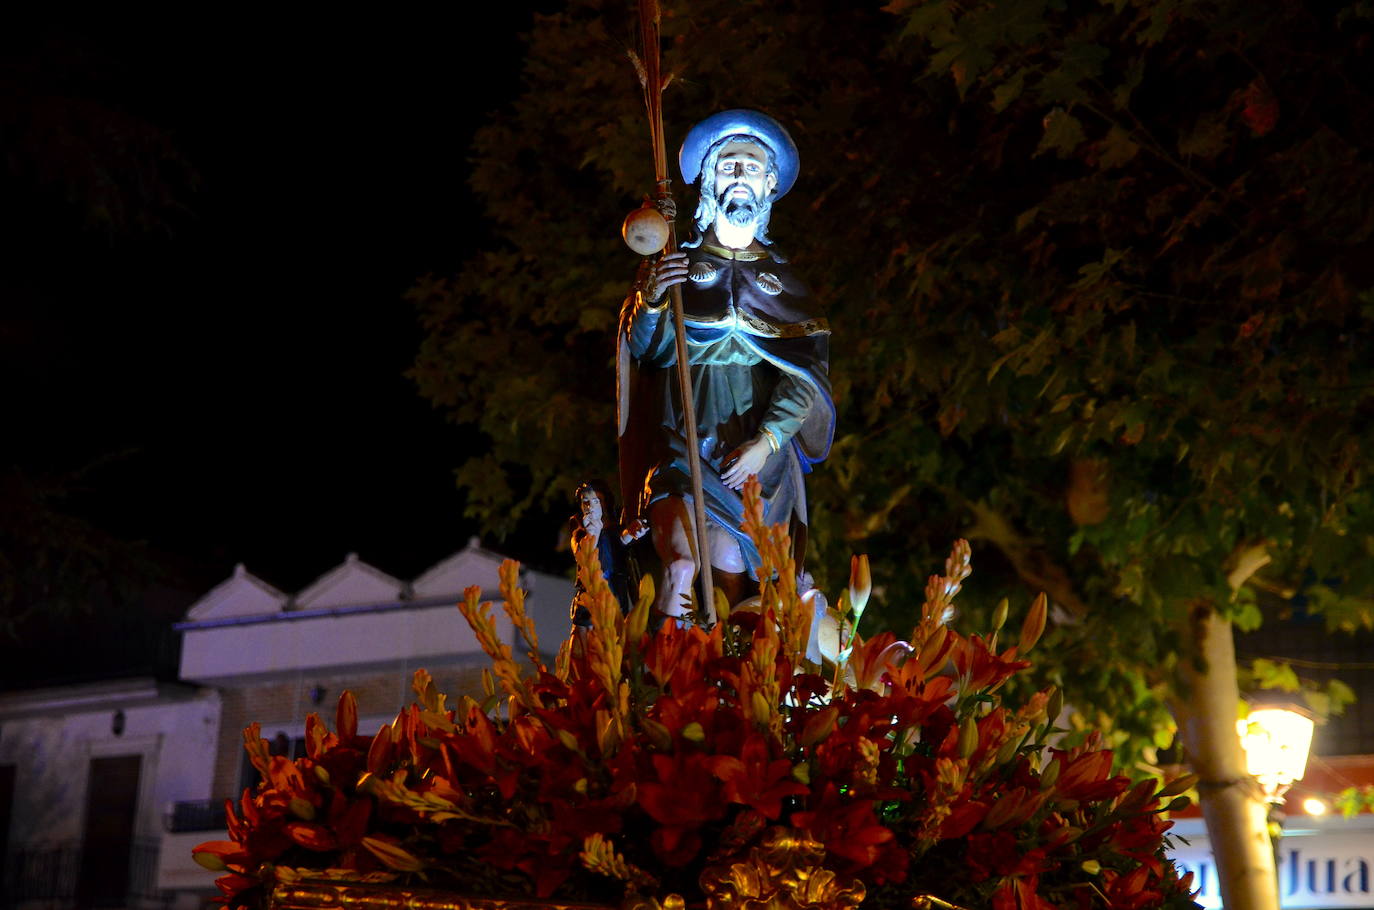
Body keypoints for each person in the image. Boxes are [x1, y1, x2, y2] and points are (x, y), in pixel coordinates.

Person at [617, 110, 834, 621]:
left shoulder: (789, 287)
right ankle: (669, 680)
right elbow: (649, 352)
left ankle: (729, 682)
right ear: (709, 181)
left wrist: (766, 443)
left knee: (737, 575)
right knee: (681, 570)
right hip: (686, 439)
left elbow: (803, 379)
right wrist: (651, 297)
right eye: (729, 166)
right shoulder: (678, 267)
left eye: (752, 168)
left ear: (770, 184)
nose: (740, 177)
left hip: (755, 458)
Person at [568, 480, 644, 633]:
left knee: (615, 632)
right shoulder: (581, 531)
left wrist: (633, 532)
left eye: (597, 501)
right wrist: (592, 533)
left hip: (615, 586)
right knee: (584, 636)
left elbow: (621, 541)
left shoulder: (614, 528)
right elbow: (582, 551)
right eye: (586, 502)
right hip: (590, 589)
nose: (591, 507)